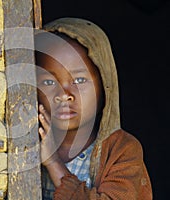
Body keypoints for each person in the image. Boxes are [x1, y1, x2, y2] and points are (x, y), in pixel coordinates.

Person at [34, 18, 152, 199]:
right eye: (49, 82)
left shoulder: (122, 150)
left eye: (79, 80)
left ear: (105, 87)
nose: (64, 94)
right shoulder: (26, 143)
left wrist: (52, 162)